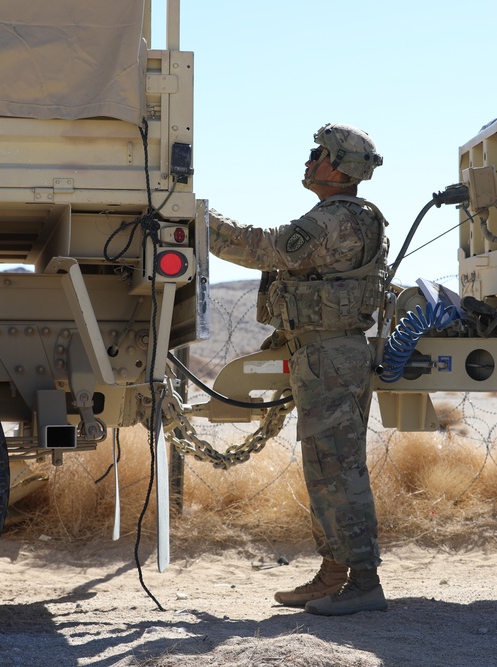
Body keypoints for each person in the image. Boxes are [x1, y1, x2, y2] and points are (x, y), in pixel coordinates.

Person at [207, 123, 389, 616]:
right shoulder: (348, 216)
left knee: (339, 471)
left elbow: (263, 248)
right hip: (324, 355)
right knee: (326, 470)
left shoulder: (333, 220)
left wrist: (200, 220)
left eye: (318, 153)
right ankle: (334, 577)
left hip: (330, 357)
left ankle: (364, 583)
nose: (309, 161)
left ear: (338, 165)